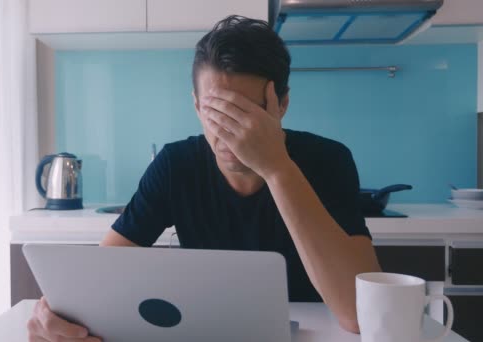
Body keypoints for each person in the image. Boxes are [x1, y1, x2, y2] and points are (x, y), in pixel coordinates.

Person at [27, 15, 381, 341]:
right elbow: (100, 276)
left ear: (281, 105)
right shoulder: (175, 166)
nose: (229, 134)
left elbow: (358, 315)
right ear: (196, 106)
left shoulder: (328, 160)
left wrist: (277, 168)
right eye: (215, 112)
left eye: (244, 115)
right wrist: (53, 314)